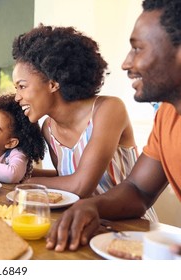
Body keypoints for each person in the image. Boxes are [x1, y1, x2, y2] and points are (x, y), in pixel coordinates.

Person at [46, 0, 181, 253]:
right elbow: (138, 189)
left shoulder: (109, 109)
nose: (126, 64)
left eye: (138, 49)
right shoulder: (167, 115)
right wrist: (92, 206)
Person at [11, 24, 157, 221]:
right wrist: (15, 172)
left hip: (132, 226)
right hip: (84, 223)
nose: (17, 97)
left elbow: (80, 186)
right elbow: (65, 178)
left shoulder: (108, 109)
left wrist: (21, 180)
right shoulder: (49, 128)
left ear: (53, 83)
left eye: (22, 86)